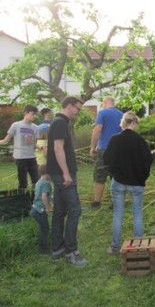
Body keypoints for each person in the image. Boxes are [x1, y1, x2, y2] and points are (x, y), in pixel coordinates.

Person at [103, 111, 153, 255]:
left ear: (123, 123)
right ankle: (138, 245)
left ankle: (115, 247)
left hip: (118, 181)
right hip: (136, 182)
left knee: (118, 213)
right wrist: (143, 177)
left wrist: (114, 173)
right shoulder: (140, 141)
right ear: (134, 123)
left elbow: (107, 160)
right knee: (137, 213)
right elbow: (148, 161)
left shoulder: (114, 139)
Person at [47, 96, 88, 266]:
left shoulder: (59, 122)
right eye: (78, 109)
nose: (78, 112)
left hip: (59, 173)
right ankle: (71, 252)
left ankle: (58, 249)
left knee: (60, 211)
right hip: (63, 174)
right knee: (75, 210)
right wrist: (65, 173)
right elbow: (58, 148)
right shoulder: (60, 122)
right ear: (69, 106)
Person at [89, 96, 123, 209]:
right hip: (118, 150)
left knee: (99, 175)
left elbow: (98, 129)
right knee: (116, 176)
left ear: (105, 102)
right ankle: (116, 202)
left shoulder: (102, 112)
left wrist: (93, 147)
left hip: (104, 150)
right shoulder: (121, 114)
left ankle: (96, 201)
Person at [0, 104, 39, 193]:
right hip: (20, 158)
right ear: (26, 113)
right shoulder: (16, 125)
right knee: (23, 182)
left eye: (35, 114)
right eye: (33, 114)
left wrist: (42, 147)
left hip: (32, 157)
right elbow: (5, 141)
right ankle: (22, 202)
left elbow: (34, 144)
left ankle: (35, 201)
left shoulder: (35, 127)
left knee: (36, 181)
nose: (35, 116)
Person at [30, 164, 52, 254]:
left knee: (42, 228)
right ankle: (43, 249)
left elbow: (39, 196)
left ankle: (43, 245)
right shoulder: (46, 183)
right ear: (47, 173)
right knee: (45, 229)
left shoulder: (39, 182)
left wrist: (50, 205)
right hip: (40, 211)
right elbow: (43, 197)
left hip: (34, 208)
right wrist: (47, 208)